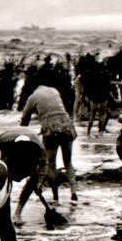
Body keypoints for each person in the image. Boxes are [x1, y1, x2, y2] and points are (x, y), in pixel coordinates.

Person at [20, 69, 79, 205]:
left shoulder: (32, 98)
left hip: (51, 131)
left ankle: (55, 196)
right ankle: (73, 191)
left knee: (51, 163)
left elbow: (24, 120)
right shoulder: (53, 90)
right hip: (66, 125)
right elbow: (58, 109)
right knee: (68, 161)